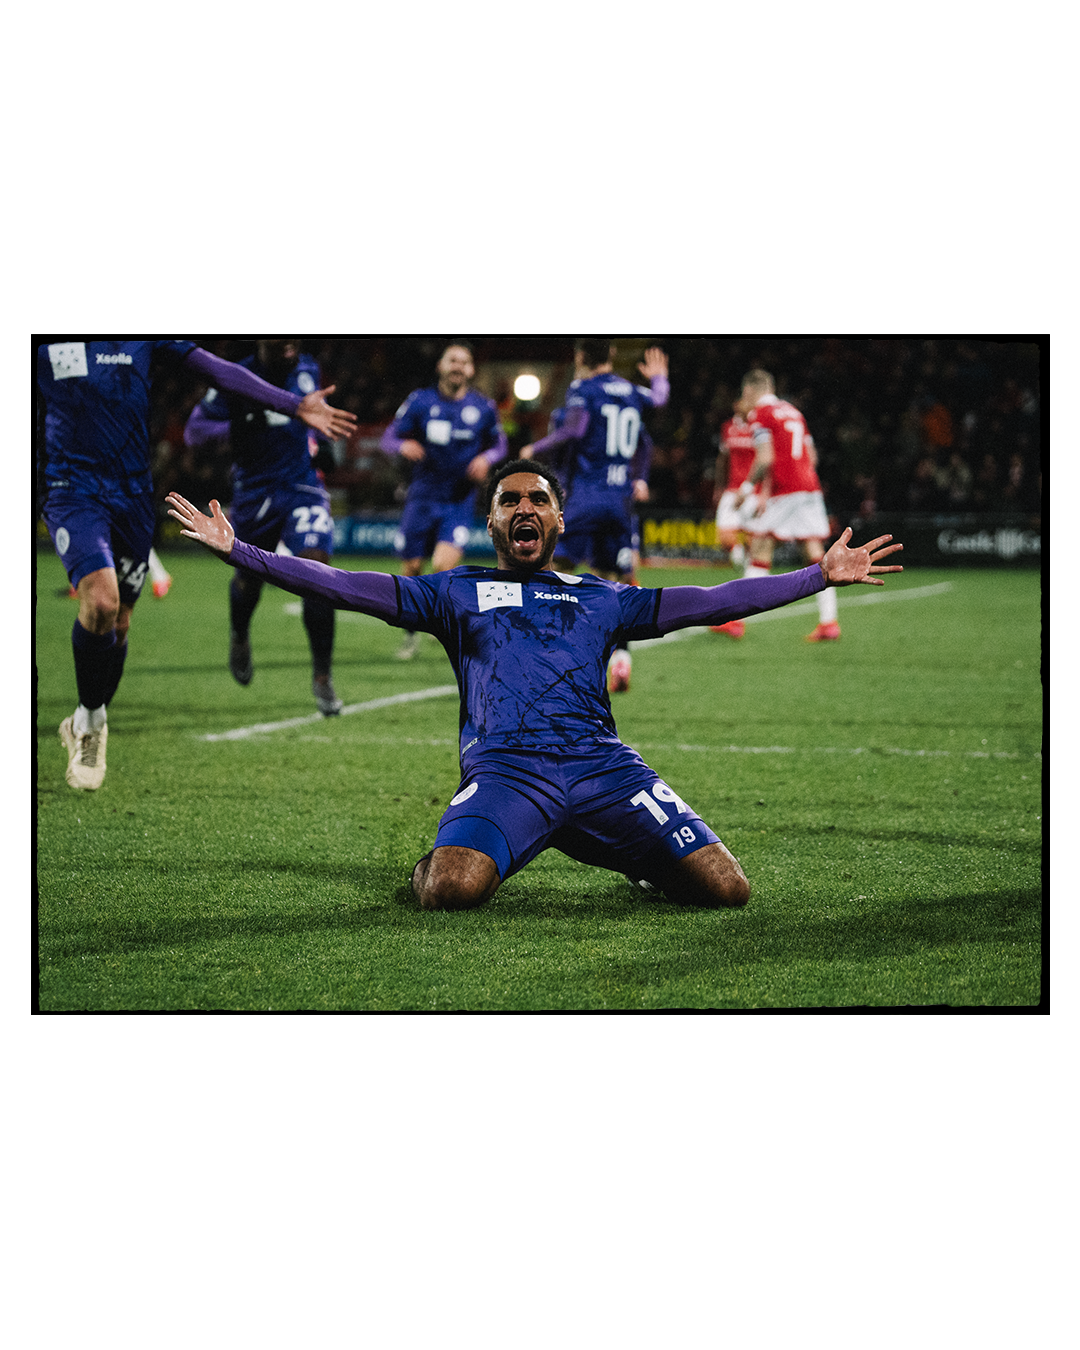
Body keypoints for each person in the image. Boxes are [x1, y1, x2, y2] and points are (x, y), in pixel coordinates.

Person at [166, 462, 902, 912]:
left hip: (603, 768)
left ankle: (631, 856)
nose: (525, 508)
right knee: (453, 890)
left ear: (558, 520)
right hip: (508, 773)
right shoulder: (454, 592)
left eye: (539, 500)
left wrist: (816, 577)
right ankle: (440, 856)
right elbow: (344, 585)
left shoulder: (601, 598)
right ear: (491, 520)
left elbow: (712, 600)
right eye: (511, 500)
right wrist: (245, 553)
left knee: (726, 888)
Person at [38, 339, 357, 791]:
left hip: (134, 495)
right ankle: (90, 723)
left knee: (121, 621)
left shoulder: (143, 336)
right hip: (71, 488)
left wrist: (294, 405)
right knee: (103, 602)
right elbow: (201, 425)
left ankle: (90, 714)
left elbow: (215, 369)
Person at [183, 339, 346, 716]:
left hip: (303, 487)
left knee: (319, 575)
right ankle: (240, 634)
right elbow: (195, 433)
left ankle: (322, 676)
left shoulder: (307, 368)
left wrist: (321, 440)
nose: (289, 343)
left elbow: (315, 417)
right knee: (248, 580)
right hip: (254, 493)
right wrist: (239, 426)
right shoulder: (234, 378)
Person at [519, 339, 669, 692]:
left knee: (552, 569)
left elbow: (574, 430)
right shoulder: (631, 391)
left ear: (581, 356)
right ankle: (621, 659)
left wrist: (532, 449)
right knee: (612, 582)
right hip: (620, 500)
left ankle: (543, 655)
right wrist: (659, 378)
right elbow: (658, 402)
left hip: (587, 496)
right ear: (612, 355)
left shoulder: (582, 390)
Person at [380, 342, 507, 659]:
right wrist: (402, 446)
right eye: (452, 360)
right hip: (421, 498)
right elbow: (388, 437)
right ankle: (411, 634)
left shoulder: (483, 407)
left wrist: (487, 458)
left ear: (471, 369)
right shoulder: (420, 401)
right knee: (412, 568)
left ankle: (443, 624)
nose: (458, 366)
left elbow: (500, 444)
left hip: (458, 501)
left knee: (442, 566)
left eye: (464, 361)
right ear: (440, 366)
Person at [730, 368, 839, 642]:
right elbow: (812, 455)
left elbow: (765, 458)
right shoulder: (794, 412)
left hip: (786, 490)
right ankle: (829, 622)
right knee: (814, 551)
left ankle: (735, 620)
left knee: (760, 547)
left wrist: (747, 488)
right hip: (809, 487)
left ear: (750, 389)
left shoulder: (761, 414)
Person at [710, 394, 759, 639]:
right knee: (724, 537)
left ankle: (739, 614)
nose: (740, 404)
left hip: (752, 491)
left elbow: (765, 459)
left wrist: (763, 491)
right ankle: (742, 557)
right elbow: (723, 459)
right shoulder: (728, 427)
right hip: (731, 490)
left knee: (755, 545)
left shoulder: (758, 426)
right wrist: (719, 487)